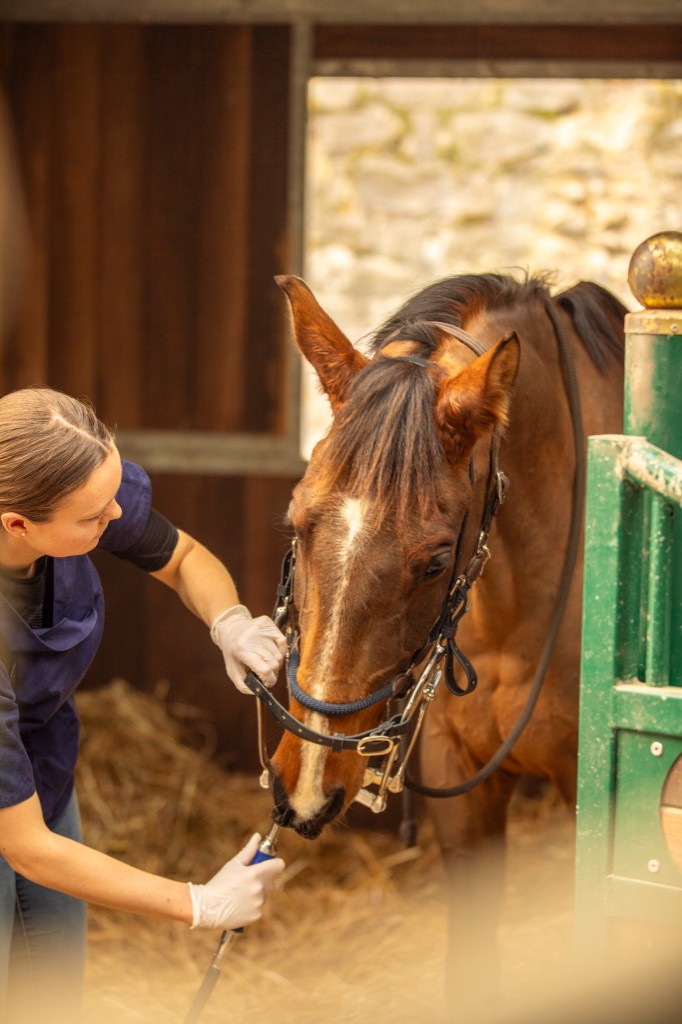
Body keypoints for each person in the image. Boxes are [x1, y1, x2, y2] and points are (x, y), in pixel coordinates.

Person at [0, 387, 287, 1022]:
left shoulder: (78, 485)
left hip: (41, 766)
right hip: (10, 813)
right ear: (18, 524)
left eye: (112, 499)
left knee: (47, 994)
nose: (116, 518)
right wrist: (198, 903)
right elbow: (24, 848)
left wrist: (229, 621)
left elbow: (181, 557)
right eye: (94, 518)